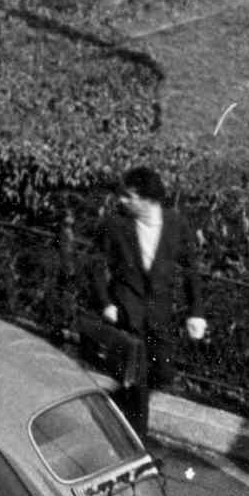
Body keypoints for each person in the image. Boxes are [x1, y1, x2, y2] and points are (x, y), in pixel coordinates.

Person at [87, 164, 207, 441]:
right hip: (128, 314)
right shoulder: (115, 224)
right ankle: (137, 446)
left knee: (163, 373)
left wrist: (196, 312)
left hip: (159, 316)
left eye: (129, 196)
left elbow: (191, 269)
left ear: (148, 199)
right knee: (139, 385)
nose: (122, 200)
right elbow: (95, 264)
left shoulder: (176, 224)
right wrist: (105, 302)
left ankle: (115, 405)